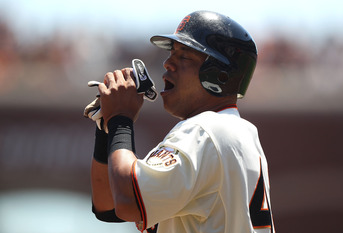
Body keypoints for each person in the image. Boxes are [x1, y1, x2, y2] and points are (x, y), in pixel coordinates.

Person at [86, 10, 275, 233]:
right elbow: (109, 207)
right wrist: (107, 128)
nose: (167, 64)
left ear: (219, 75)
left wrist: (120, 119)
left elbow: (128, 202)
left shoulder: (205, 131)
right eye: (171, 54)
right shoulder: (235, 131)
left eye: (184, 56)